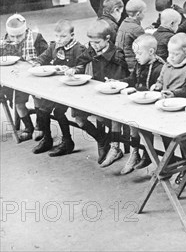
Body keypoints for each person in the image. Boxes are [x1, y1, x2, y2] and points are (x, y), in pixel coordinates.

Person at [67, 19, 129, 165]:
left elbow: (121, 78)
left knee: (107, 117)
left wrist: (113, 82)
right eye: (91, 42)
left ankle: (114, 147)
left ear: (107, 39)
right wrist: (75, 70)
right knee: (79, 119)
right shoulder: (91, 49)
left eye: (97, 42)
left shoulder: (116, 54)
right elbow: (81, 63)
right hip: (92, 93)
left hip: (110, 96)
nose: (93, 46)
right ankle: (102, 140)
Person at [30, 20, 86, 156]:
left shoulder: (79, 48)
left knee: (58, 112)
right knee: (42, 109)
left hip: (72, 87)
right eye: (56, 36)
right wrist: (37, 63)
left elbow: (83, 66)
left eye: (62, 37)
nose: (58, 40)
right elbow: (44, 57)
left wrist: (74, 69)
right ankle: (47, 139)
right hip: (56, 86)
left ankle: (67, 141)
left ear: (72, 35)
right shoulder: (54, 46)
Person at [118, 34, 164, 174]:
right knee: (132, 122)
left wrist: (136, 90)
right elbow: (132, 79)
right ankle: (136, 152)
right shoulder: (140, 63)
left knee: (138, 125)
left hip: (153, 107)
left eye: (139, 53)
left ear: (151, 52)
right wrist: (120, 83)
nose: (136, 57)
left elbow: (158, 90)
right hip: (139, 103)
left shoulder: (160, 67)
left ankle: (146, 153)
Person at [0, 14, 48, 141]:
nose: (16, 39)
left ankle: (39, 126)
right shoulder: (4, 42)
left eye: (19, 36)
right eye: (12, 36)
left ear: (26, 31)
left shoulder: (36, 38)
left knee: (38, 100)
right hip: (17, 79)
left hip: (35, 76)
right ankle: (28, 127)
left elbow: (47, 55)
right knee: (18, 103)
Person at [152, 33, 186, 97]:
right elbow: (160, 80)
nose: (171, 56)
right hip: (164, 98)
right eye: (169, 52)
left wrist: (174, 93)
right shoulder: (167, 65)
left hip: (178, 99)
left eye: (176, 54)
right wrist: (158, 85)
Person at [116, 0, 146, 71]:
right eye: (144, 12)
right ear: (138, 14)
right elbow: (146, 44)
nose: (145, 14)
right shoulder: (137, 29)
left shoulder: (124, 23)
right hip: (132, 64)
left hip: (121, 60)